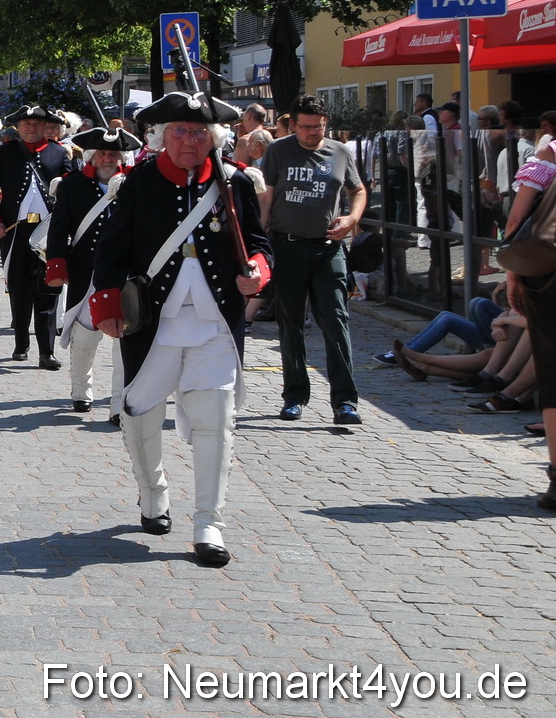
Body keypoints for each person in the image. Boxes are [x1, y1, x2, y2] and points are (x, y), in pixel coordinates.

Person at [90, 92, 270, 568]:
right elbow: (110, 250)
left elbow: (259, 243)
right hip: (152, 321)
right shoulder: (136, 184)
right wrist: (107, 304)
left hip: (215, 322)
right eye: (179, 132)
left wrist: (257, 268)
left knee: (216, 417)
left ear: (215, 137)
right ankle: (153, 492)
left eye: (198, 132)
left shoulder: (233, 183)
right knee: (140, 411)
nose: (190, 141)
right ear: (160, 137)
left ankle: (209, 523)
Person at [258, 95, 367, 425]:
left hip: (327, 248)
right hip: (287, 247)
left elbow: (357, 190)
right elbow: (266, 198)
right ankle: (294, 396)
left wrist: (351, 218)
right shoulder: (278, 151)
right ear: (293, 125)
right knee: (290, 324)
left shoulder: (339, 151)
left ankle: (345, 402)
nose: (312, 133)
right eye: (305, 127)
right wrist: (258, 244)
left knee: (336, 320)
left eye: (318, 127)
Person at [45, 125, 141, 415]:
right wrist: (57, 266)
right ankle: (81, 391)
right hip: (87, 270)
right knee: (86, 334)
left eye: (113, 153)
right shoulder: (71, 185)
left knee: (123, 338)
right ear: (91, 156)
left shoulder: (135, 184)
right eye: (102, 153)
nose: (108, 158)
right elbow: (59, 229)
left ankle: (117, 404)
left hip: (125, 272)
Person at [0, 103, 71, 367]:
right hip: (15, 229)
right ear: (18, 127)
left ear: (46, 127)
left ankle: (47, 351)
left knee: (48, 289)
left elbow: (72, 192)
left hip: (48, 231)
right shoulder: (5, 152)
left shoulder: (59, 152)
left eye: (37, 125)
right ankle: (21, 343)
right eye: (26, 125)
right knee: (19, 286)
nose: (31, 129)